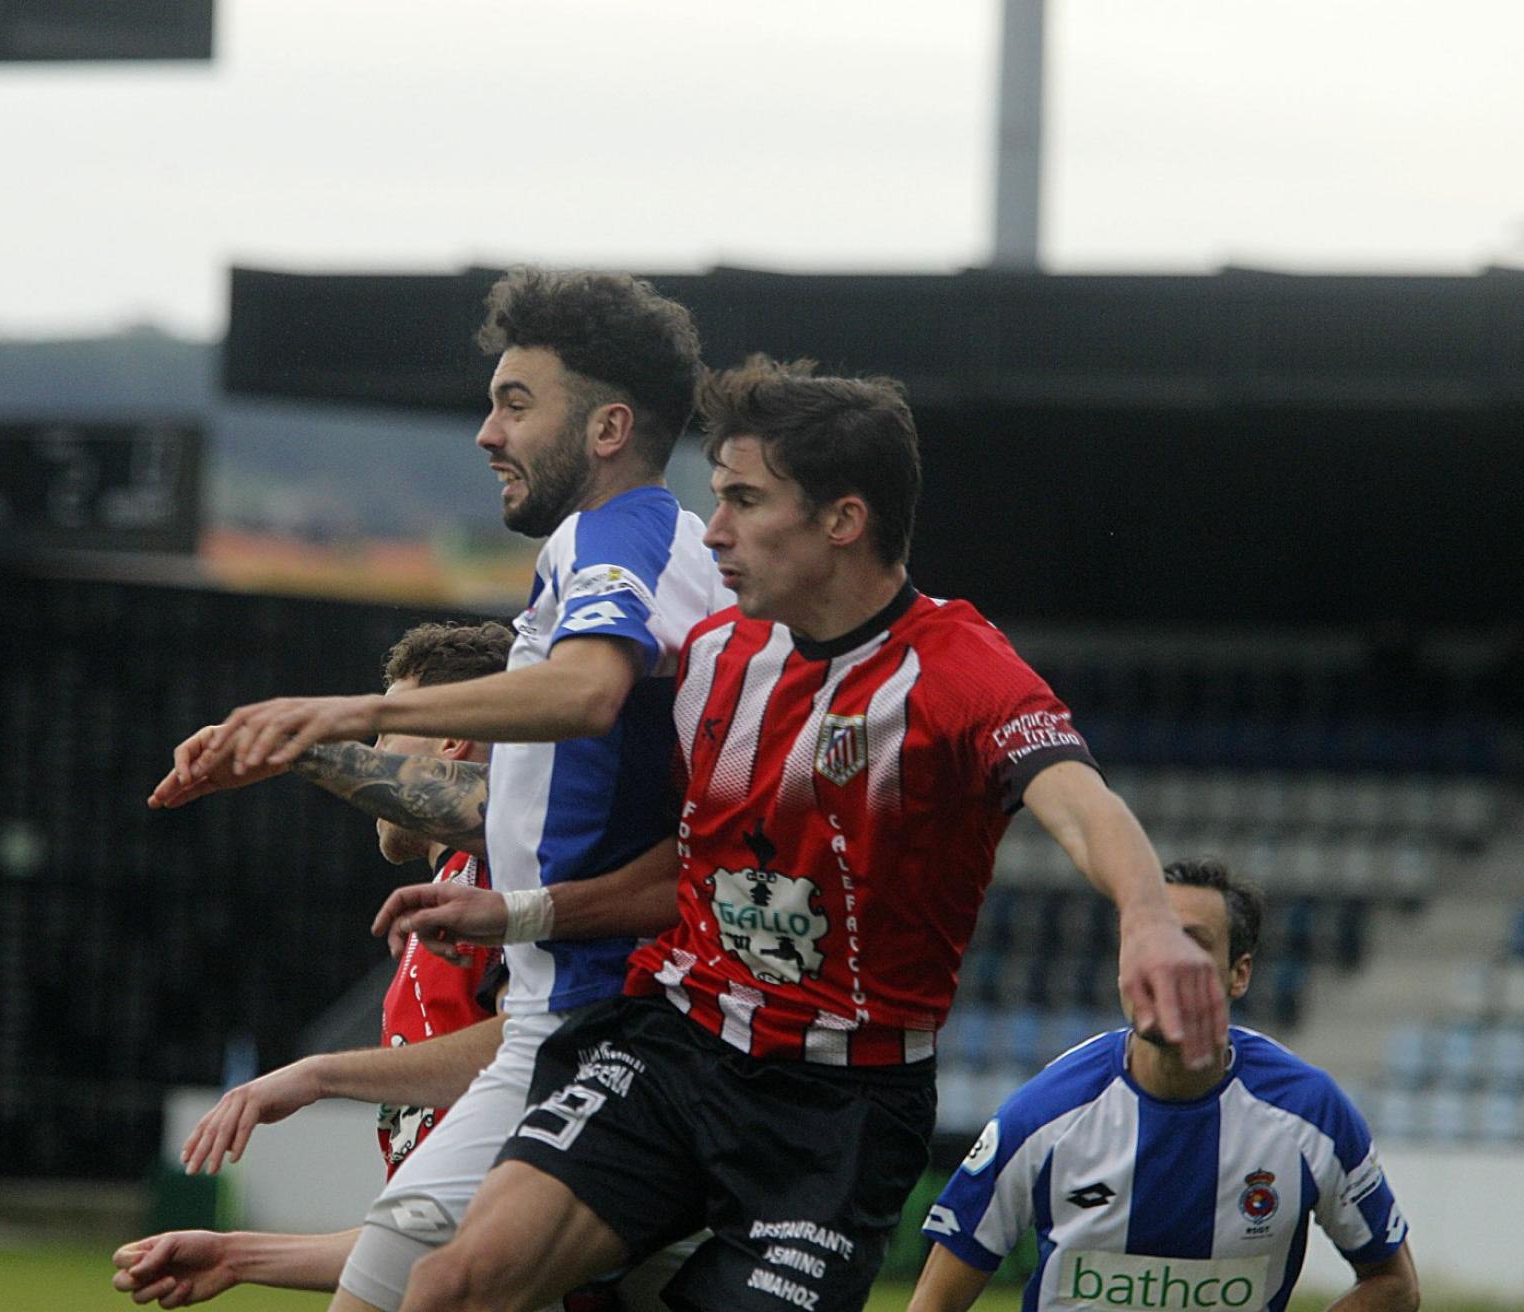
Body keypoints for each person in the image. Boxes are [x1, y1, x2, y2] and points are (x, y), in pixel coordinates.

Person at [375, 356, 1226, 1312]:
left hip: (839, 1113)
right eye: (715, 496)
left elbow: (1077, 795)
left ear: (843, 520)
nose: (716, 529)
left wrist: (1148, 917)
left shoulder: (958, 671)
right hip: (673, 1049)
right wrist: (520, 910)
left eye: (744, 499)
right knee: (451, 1283)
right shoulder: (714, 655)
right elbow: (681, 863)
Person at [147, 268, 730, 1312]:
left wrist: (347, 716)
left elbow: (589, 696)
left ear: (606, 426)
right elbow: (490, 806)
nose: (484, 434)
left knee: (412, 1288)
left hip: (607, 1026)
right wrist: (306, 746)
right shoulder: (654, 553)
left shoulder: (621, 536)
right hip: (587, 1027)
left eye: (515, 403)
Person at [111, 622, 513, 1309]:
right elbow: (419, 1244)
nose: (373, 753)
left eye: (387, 732)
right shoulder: (453, 887)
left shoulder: (513, 878)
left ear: (450, 740)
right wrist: (239, 1255)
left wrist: (321, 1074)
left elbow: (532, 1046)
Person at [910, 858, 1419, 1312]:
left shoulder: (1311, 1115)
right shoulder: (1044, 1115)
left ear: (1238, 975)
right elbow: (934, 1303)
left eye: (1190, 945)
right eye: (1145, 943)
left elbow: (1394, 1285)